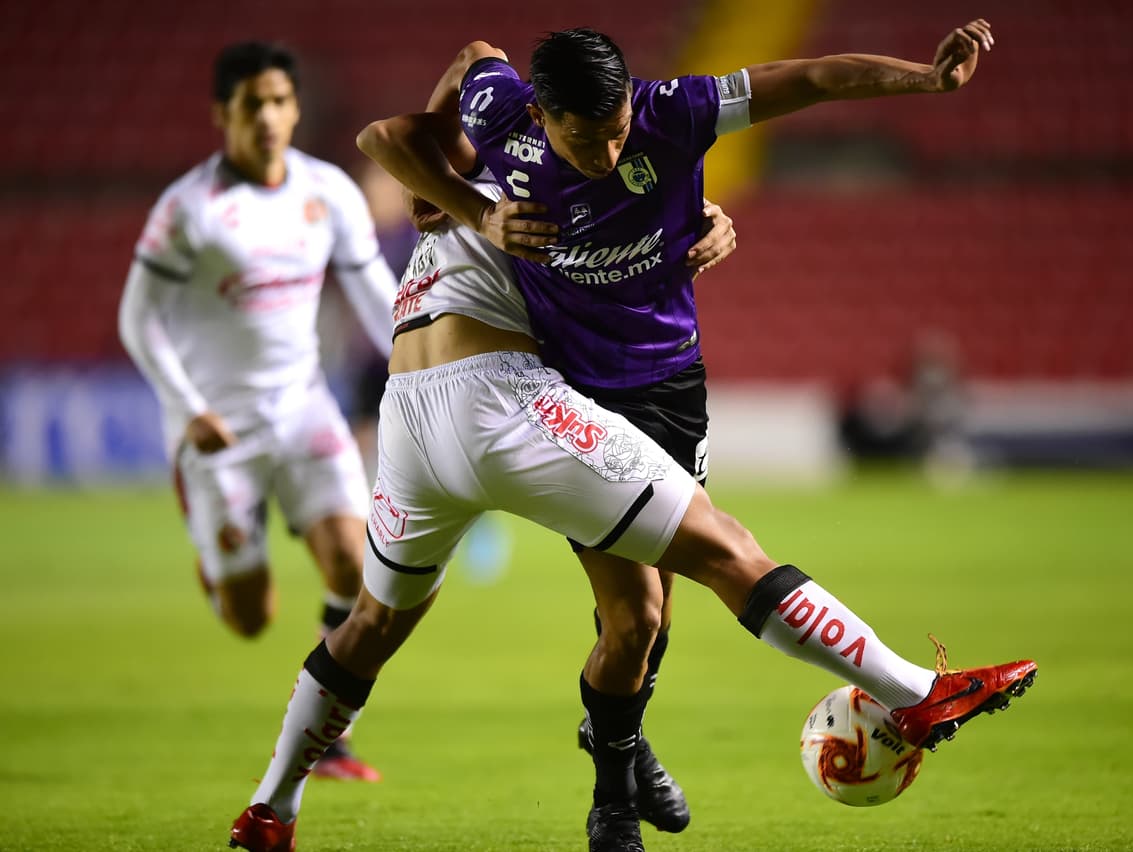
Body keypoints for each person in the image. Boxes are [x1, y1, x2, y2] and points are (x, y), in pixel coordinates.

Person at [353, 19, 1001, 846]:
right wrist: (465, 204)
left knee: (652, 626)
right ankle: (613, 799)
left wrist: (927, 79)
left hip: (671, 384)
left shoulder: (677, 112)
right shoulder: (504, 120)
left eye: (619, 130)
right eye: (588, 140)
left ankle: (615, 742)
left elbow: (810, 78)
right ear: (545, 118)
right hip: (572, 394)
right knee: (636, 616)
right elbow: (435, 90)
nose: (610, 154)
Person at [227, 195, 1034, 852]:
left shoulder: (458, 162)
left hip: (408, 415)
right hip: (502, 398)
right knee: (726, 549)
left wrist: (696, 218)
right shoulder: (528, 159)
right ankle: (918, 692)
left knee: (378, 623)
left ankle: (271, 810)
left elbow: (417, 120)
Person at [117, 41, 396, 782]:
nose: (268, 117)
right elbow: (137, 317)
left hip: (304, 410)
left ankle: (330, 735)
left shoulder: (329, 191)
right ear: (223, 115)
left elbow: (374, 290)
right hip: (219, 433)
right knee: (251, 619)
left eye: (278, 102)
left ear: (296, 108)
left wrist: (416, 356)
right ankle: (219, 562)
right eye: (251, 105)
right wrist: (187, 408)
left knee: (355, 567)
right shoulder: (190, 209)